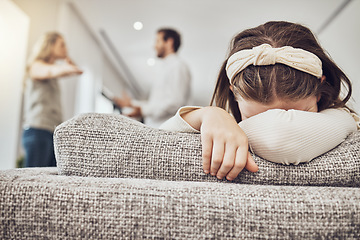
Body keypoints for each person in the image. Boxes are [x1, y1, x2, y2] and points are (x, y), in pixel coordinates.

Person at [160, 21, 360, 181]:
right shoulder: (221, 121)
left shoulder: (343, 119)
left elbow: (281, 136)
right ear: (234, 94)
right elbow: (159, 138)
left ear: (320, 91)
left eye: (297, 115)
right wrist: (208, 114)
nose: (276, 119)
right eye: (254, 116)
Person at [22, 32, 83, 167]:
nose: (66, 49)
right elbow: (50, 71)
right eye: (62, 45)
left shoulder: (54, 72)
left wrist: (66, 60)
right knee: (34, 181)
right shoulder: (36, 65)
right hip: (37, 130)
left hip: (50, 132)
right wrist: (66, 66)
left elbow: (77, 70)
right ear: (50, 45)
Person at [113, 28, 192, 128]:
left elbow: (174, 102)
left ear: (169, 42)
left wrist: (142, 111)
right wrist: (132, 104)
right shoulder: (167, 67)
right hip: (158, 129)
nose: (154, 46)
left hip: (167, 131)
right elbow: (157, 103)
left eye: (157, 41)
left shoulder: (178, 66)